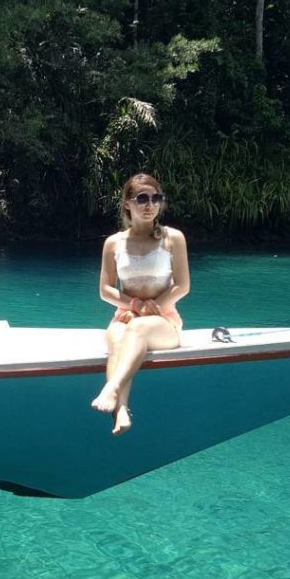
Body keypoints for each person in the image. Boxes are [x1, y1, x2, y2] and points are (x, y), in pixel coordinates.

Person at [91, 173, 190, 435]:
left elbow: (182, 285)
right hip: (126, 316)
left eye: (156, 198)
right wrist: (135, 305)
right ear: (127, 203)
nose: (150, 205)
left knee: (137, 329)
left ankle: (112, 387)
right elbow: (105, 290)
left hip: (164, 320)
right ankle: (122, 410)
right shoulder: (113, 243)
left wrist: (149, 308)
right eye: (142, 198)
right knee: (116, 336)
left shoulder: (173, 238)